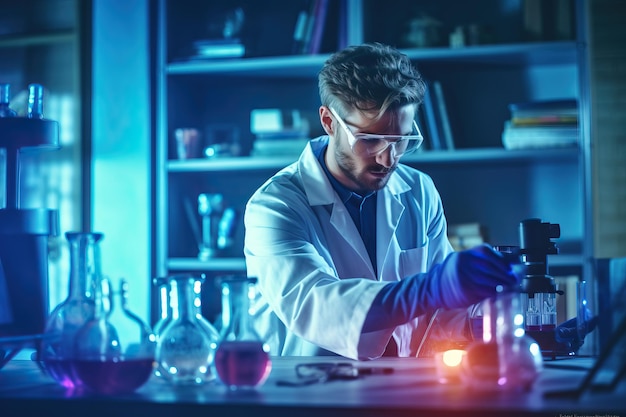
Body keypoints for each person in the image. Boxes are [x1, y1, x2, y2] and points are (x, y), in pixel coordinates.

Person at [243, 42, 519, 360]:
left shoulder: (419, 190)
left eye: (401, 140)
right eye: (371, 139)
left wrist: (500, 323)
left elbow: (442, 317)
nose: (388, 158)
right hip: (309, 392)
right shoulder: (275, 206)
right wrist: (430, 289)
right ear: (329, 122)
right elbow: (316, 304)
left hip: (403, 391)